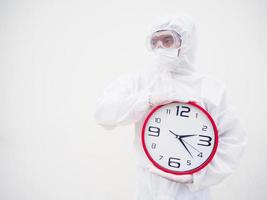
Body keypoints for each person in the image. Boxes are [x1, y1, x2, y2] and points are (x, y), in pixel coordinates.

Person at [94, 15, 247, 200]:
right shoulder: (140, 82)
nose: (160, 48)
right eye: (154, 42)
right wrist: (146, 100)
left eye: (168, 40)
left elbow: (233, 139)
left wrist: (196, 176)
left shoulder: (210, 87)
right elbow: (103, 112)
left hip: (191, 193)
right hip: (147, 186)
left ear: (186, 42)